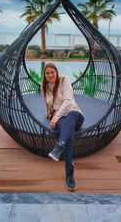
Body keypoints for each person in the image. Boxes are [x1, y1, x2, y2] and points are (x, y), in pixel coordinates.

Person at [42, 63, 84, 191]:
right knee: (68, 132)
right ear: (45, 75)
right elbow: (49, 104)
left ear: (56, 72)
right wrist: (49, 113)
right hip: (60, 119)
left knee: (71, 115)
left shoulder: (64, 82)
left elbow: (68, 102)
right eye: (47, 73)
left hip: (75, 115)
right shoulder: (44, 87)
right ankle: (69, 170)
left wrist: (55, 117)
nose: (50, 75)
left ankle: (59, 146)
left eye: (52, 72)